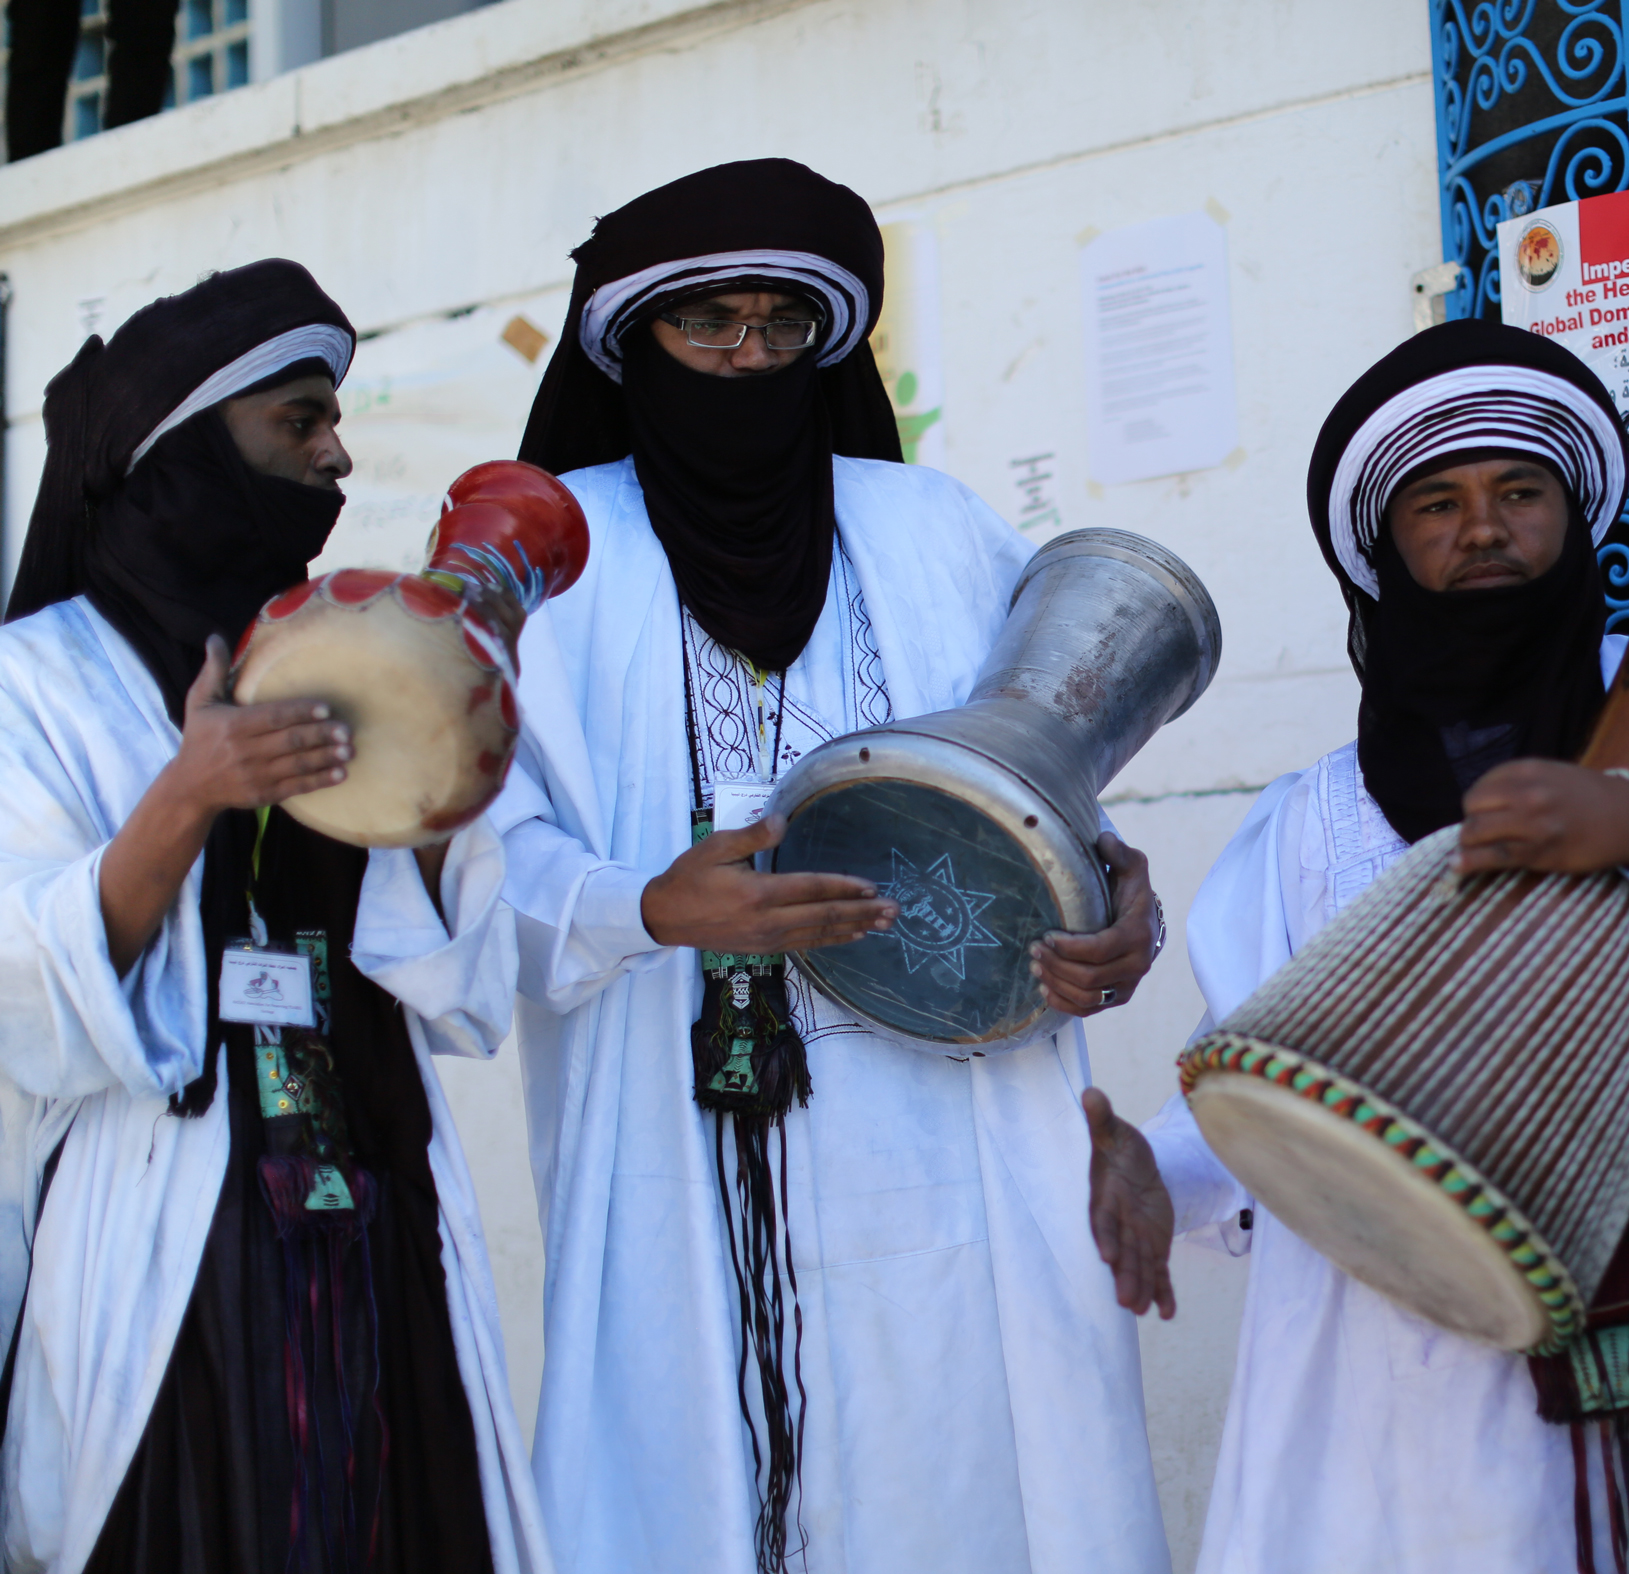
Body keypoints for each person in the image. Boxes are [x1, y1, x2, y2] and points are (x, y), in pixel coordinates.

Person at [1083, 319, 1629, 1574]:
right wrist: (1161, 1166)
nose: (1482, 528)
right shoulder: (1313, 815)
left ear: (1573, 518)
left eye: (1520, 491)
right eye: (1437, 502)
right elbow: (1270, 1067)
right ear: (1385, 547)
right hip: (1386, 1364)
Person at [471, 159, 1167, 1574]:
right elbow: (481, 852)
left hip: (947, 1137)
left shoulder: (929, 527)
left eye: (782, 326)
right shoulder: (556, 556)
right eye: (708, 326)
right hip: (669, 1134)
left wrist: (1119, 899)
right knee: (689, 1494)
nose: (749, 357)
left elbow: (1050, 772)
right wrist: (646, 904)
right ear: (634, 344)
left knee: (968, 1482)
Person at [0, 261, 549, 1572]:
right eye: (299, 421)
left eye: (335, 421)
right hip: (159, 1238)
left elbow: (452, 981)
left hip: (378, 1195)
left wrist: (451, 723)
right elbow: (23, 991)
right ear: (186, 448)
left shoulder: (338, 648)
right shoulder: (33, 681)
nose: (337, 456)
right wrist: (189, 792)